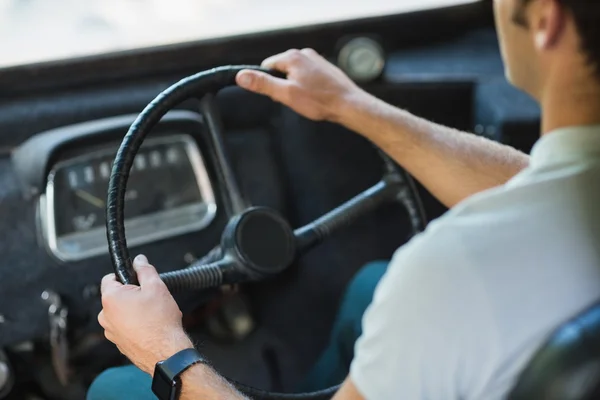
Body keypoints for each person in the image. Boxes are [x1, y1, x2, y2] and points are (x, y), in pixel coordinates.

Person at [88, 0, 600, 398]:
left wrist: (166, 353)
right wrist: (350, 105)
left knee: (115, 389)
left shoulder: (454, 272)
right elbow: (538, 186)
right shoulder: (573, 201)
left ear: (546, 20)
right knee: (371, 289)